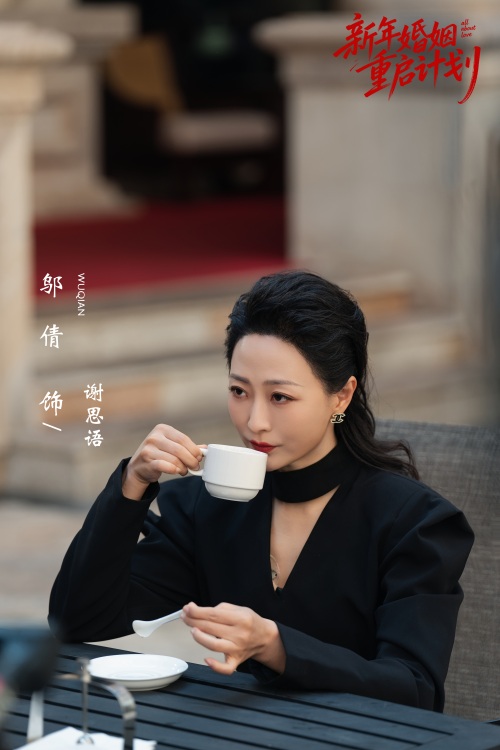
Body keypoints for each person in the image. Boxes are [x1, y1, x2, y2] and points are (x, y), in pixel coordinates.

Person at [48, 270, 474, 711]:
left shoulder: (414, 523)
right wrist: (130, 486)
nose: (254, 422)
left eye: (279, 397)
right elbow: (77, 620)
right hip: (236, 733)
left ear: (342, 396)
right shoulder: (205, 507)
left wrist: (276, 646)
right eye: (239, 391)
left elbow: (415, 689)